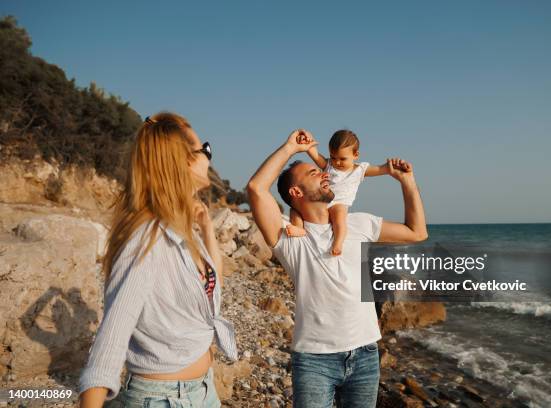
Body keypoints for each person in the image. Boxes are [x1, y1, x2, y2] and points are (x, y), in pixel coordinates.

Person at [246, 129, 427, 408]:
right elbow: (257, 189)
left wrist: (407, 182)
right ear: (296, 192)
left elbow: (417, 233)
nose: (324, 172)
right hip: (314, 360)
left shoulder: (359, 223)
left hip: (366, 354)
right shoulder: (291, 237)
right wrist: (289, 148)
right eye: (313, 173)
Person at [78, 112, 237, 408]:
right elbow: (111, 337)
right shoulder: (147, 239)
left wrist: (208, 229)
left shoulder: (181, 229)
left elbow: (214, 288)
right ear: (183, 162)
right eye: (205, 150)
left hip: (204, 391)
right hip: (163, 399)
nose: (209, 157)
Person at [286, 129, 390, 256]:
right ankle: (299, 228)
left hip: (340, 202)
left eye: (342, 158)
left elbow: (380, 169)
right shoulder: (329, 165)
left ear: (356, 155)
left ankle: (338, 243)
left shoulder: (360, 170)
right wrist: (308, 142)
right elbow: (314, 153)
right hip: (323, 200)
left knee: (339, 221)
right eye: (333, 157)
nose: (337, 162)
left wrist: (391, 167)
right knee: (295, 209)